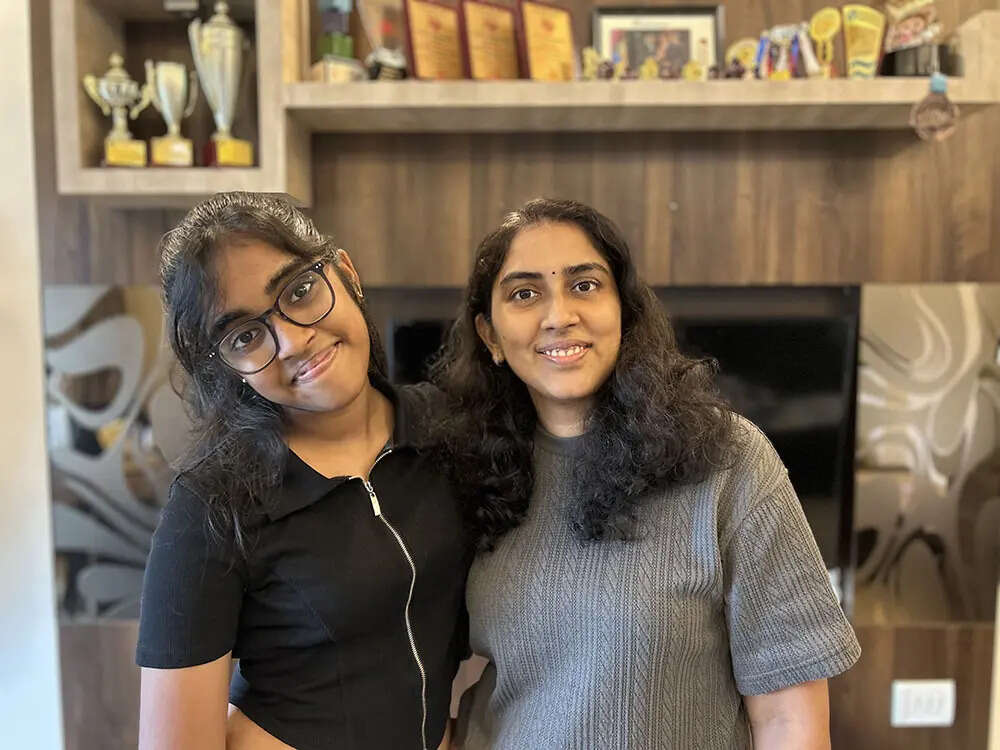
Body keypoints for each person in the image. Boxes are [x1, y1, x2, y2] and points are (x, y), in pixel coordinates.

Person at [433, 198, 861, 749]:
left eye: (585, 285)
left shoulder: (729, 461)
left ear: (625, 313)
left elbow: (788, 720)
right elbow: (436, 690)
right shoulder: (462, 477)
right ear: (490, 336)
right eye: (524, 293)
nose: (559, 314)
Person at [136, 192, 469, 750]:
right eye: (245, 336)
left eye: (300, 290)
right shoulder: (211, 504)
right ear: (231, 368)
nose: (292, 341)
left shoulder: (447, 432)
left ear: (345, 273)